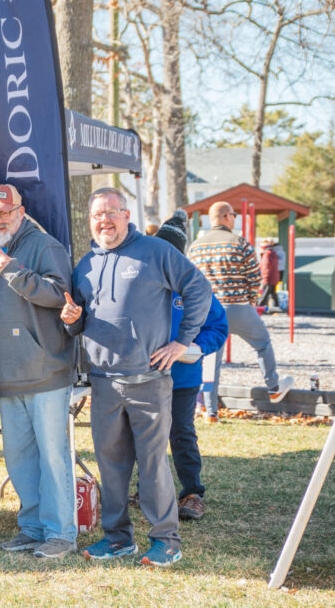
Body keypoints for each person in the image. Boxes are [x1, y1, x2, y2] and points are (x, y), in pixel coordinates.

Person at [61, 187, 211, 567]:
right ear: (90, 221)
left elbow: (198, 288)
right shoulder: (86, 265)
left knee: (153, 465)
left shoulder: (156, 252)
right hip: (104, 382)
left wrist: (182, 342)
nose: (104, 220)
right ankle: (117, 539)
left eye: (111, 212)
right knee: (110, 465)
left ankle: (166, 540)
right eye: (97, 214)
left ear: (127, 215)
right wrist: (72, 321)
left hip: (148, 381)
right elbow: (79, 322)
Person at [0, 184, 77, 559]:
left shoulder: (44, 246)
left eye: (4, 212)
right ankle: (32, 528)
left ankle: (61, 533)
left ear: (20, 211)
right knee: (19, 459)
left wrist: (16, 273)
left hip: (45, 371)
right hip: (6, 375)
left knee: (53, 458)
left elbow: (61, 296)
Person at [152, 210, 229, 522]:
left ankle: (192, 493)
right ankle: (150, 490)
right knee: (146, 435)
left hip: (183, 377)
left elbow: (218, 327)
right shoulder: (142, 280)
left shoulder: (194, 284)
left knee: (181, 433)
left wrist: (195, 348)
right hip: (144, 377)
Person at [187, 201, 294, 421]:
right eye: (234, 215)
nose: (234, 219)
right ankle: (274, 387)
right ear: (227, 217)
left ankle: (211, 411)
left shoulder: (195, 247)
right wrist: (251, 302)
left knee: (211, 358)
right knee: (262, 343)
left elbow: (190, 281)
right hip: (237, 306)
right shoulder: (240, 243)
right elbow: (255, 278)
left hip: (208, 310)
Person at [258, 239, 280, 309]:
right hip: (273, 277)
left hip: (268, 278)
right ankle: (277, 306)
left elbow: (266, 267)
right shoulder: (273, 253)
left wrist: (264, 278)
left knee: (265, 294)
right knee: (273, 293)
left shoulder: (267, 254)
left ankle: (260, 307)